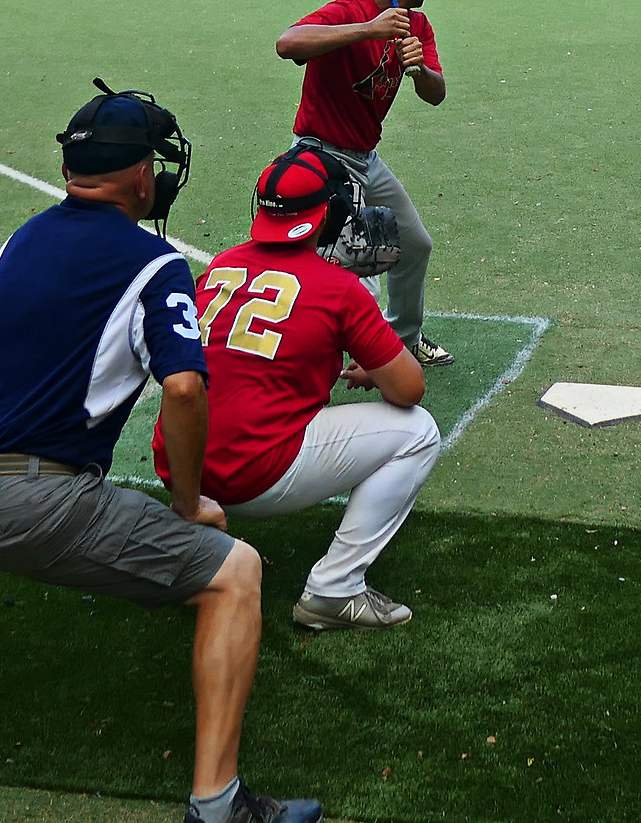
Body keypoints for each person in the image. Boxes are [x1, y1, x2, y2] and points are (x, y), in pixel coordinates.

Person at [0, 83, 323, 823]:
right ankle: (219, 813)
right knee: (235, 572)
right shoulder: (155, 263)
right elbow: (186, 387)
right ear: (144, 177)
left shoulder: (24, 237)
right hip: (23, 501)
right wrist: (189, 505)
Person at [157, 143, 437, 631]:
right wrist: (380, 361)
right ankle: (335, 588)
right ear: (332, 213)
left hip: (182, 468)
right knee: (418, 431)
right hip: (255, 473)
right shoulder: (338, 287)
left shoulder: (221, 265)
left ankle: (189, 540)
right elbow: (409, 389)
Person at [275, 0, 453, 368]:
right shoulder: (350, 12)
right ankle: (302, 351)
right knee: (347, 266)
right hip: (321, 159)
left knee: (414, 245)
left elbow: (437, 94)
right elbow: (287, 44)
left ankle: (402, 341)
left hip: (365, 159)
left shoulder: (417, 26)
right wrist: (370, 30)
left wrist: (419, 69)